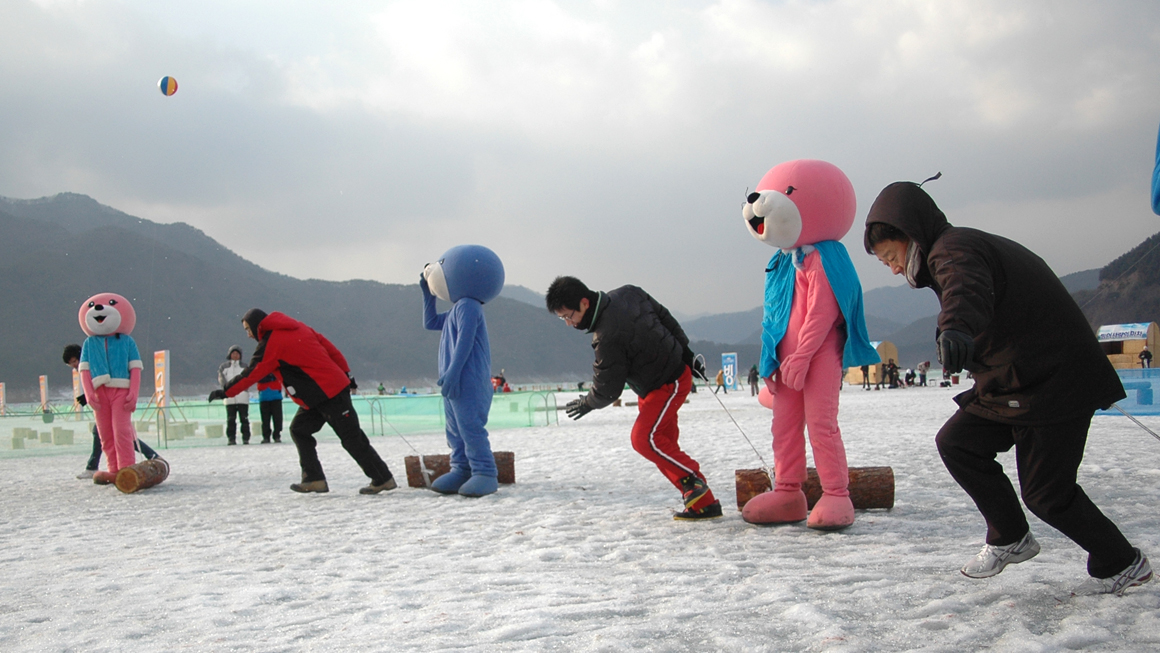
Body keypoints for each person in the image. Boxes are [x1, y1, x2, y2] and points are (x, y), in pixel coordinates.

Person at [865, 180, 1151, 595]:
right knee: (958, 442)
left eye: (891, 256)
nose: (892, 268)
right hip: (1015, 384)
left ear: (911, 236)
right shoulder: (952, 250)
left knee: (1048, 494)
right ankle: (1010, 536)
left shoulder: (953, 250)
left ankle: (1123, 562)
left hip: (1054, 383)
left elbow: (967, 290)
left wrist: (956, 329)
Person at [546, 276, 721, 520]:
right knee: (663, 446)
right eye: (562, 318)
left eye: (568, 316)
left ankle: (694, 479)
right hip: (651, 388)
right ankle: (704, 503)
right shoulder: (628, 292)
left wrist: (588, 403)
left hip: (670, 381)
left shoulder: (606, 337)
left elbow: (608, 388)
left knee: (645, 440)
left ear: (584, 303)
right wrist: (687, 351)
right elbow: (666, 318)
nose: (568, 323)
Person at [210, 309, 396, 495]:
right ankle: (314, 479)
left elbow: (251, 373)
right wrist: (347, 373)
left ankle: (382, 478)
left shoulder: (271, 343)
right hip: (317, 396)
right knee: (299, 430)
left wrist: (226, 392)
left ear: (257, 325)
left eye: (248, 329)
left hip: (330, 392)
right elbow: (331, 349)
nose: (248, 334)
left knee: (351, 438)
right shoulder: (299, 327)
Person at [63, 344, 161, 479]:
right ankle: (152, 455)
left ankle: (93, 466)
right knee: (111, 434)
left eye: (74, 361)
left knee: (118, 434)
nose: (74, 365)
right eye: (70, 364)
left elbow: (104, 382)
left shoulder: (95, 363)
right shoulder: (85, 368)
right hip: (103, 405)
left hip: (113, 401)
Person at [218, 346, 251, 445]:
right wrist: (227, 389)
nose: (235, 355)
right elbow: (221, 379)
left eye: (237, 353)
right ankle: (231, 438)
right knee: (231, 419)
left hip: (242, 397)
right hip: (229, 398)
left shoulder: (245, 366)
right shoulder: (224, 367)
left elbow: (248, 379)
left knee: (244, 418)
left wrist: (242, 389)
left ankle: (246, 438)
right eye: (233, 353)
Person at [256, 372, 283, 443]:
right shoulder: (259, 367)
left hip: (275, 395)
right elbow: (257, 377)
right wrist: (271, 377)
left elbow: (279, 375)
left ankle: (277, 435)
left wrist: (266, 377)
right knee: (265, 419)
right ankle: (266, 436)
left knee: (277, 418)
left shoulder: (276, 365)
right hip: (264, 396)